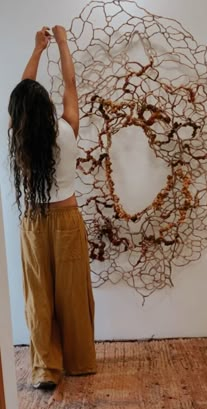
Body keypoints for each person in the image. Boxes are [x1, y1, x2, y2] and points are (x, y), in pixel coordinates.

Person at [8, 26, 96, 389]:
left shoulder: (20, 133)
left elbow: (22, 90)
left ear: (20, 111)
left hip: (33, 222)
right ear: (47, 106)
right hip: (66, 218)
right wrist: (60, 43)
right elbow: (71, 85)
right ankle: (78, 362)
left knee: (38, 293)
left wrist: (36, 50)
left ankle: (46, 368)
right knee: (72, 291)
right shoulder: (67, 127)